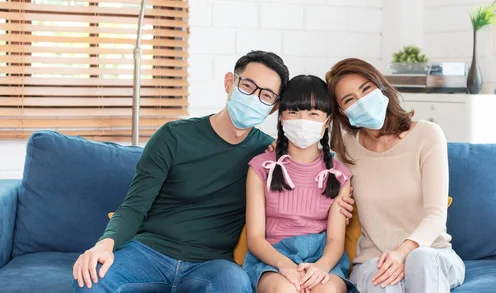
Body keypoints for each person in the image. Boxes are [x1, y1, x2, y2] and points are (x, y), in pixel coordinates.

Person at [71, 51, 355, 293]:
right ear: (230, 83)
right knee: (92, 277)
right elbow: (134, 206)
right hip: (149, 251)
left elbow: (308, 164)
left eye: (266, 95)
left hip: (210, 264)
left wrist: (340, 188)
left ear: (273, 109)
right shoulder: (173, 136)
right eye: (248, 86)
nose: (255, 98)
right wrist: (105, 244)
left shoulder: (264, 155)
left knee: (234, 283)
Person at [325, 58, 466, 293]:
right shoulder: (346, 149)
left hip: (433, 254)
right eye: (349, 99)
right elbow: (312, 166)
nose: (362, 101)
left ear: (380, 86)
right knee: (377, 277)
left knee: (420, 259)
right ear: (342, 112)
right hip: (375, 261)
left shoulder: (427, 135)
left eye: (366, 89)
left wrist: (403, 253)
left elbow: (436, 215)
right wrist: (277, 146)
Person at [244, 75, 358, 293]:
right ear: (281, 118)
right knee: (285, 290)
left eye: (313, 113)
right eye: (293, 112)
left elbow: (335, 239)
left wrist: (322, 267)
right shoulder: (260, 167)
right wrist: (284, 265)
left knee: (328, 290)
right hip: (273, 259)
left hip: (322, 259)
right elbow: (255, 238)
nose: (302, 119)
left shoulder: (340, 174)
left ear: (327, 121)